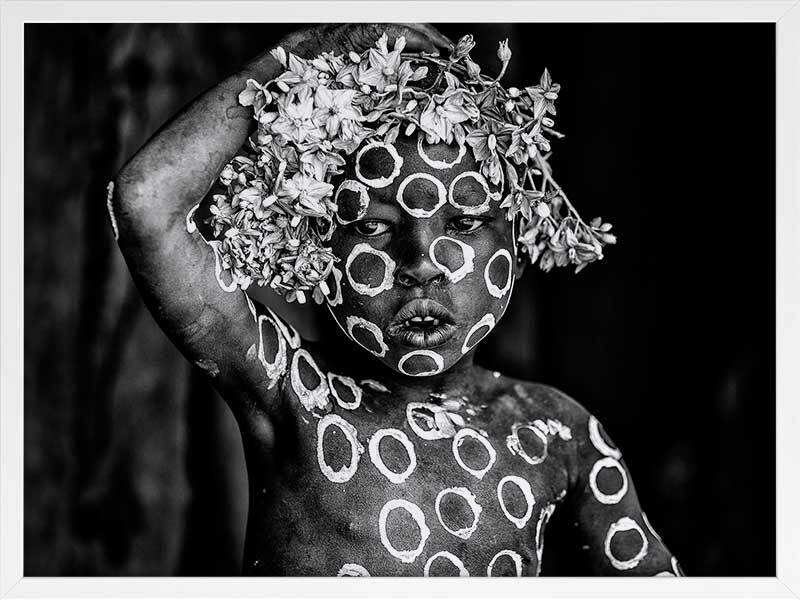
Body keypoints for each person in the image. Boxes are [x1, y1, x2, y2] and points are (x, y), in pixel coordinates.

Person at [109, 23, 683, 577]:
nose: (422, 263)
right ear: (319, 250)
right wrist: (304, 54)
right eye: (374, 227)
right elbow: (144, 203)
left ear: (517, 238)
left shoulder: (556, 432)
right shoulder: (291, 391)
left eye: (464, 221)